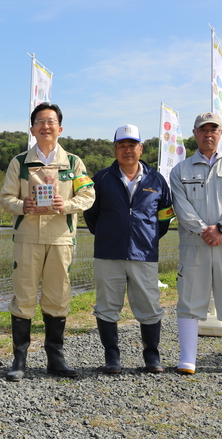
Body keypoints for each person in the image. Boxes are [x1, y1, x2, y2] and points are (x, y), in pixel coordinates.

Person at [0, 102, 95, 382]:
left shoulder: (74, 162)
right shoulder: (19, 162)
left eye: (51, 121)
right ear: (32, 129)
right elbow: (5, 198)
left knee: (57, 297)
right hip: (27, 239)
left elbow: (88, 196)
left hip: (60, 239)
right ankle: (19, 359)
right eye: (40, 121)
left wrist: (64, 204)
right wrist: (23, 205)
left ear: (60, 128)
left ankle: (56, 358)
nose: (45, 126)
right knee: (24, 296)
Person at [83, 125, 174, 374]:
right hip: (108, 253)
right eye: (122, 145)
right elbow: (90, 214)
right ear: (114, 149)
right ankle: (112, 358)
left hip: (144, 254)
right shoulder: (101, 179)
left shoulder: (156, 180)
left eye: (132, 145)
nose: (127, 150)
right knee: (106, 306)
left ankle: (152, 357)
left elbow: (165, 214)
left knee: (149, 306)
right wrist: (106, 234)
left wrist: (151, 236)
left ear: (141, 148)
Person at [170, 112, 222, 377]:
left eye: (213, 129)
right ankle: (187, 359)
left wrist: (220, 228)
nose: (208, 134)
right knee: (189, 301)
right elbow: (180, 207)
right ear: (194, 134)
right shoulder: (180, 170)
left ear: (221, 134)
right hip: (194, 245)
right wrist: (203, 230)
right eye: (203, 129)